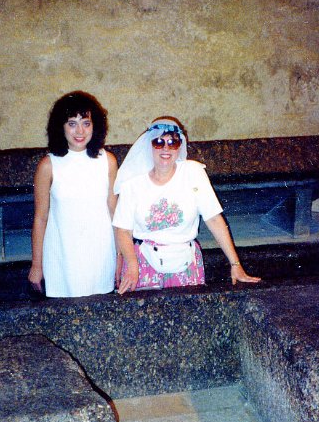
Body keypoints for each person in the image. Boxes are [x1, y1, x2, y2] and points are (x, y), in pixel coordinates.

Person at [113, 117, 260, 294]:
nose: (166, 148)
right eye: (159, 142)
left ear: (180, 146)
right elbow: (123, 230)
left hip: (187, 263)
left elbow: (214, 219)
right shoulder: (133, 183)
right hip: (143, 264)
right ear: (149, 145)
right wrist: (132, 266)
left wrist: (235, 264)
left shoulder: (193, 173)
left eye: (172, 142)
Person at [28, 91, 118, 297]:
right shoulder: (48, 165)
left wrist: (121, 255)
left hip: (101, 256)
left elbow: (115, 213)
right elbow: (40, 218)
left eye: (86, 123)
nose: (80, 131)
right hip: (63, 257)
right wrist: (36, 266)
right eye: (72, 123)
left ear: (95, 126)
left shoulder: (108, 161)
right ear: (61, 127)